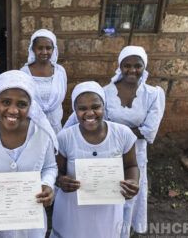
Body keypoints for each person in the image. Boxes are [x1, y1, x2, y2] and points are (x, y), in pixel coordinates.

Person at [0, 70, 58, 238]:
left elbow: (50, 167)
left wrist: (47, 184)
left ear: (30, 105)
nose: (13, 110)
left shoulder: (42, 133)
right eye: (6, 102)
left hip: (28, 223)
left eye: (22, 104)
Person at [51, 81, 140, 238]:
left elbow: (131, 165)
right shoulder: (65, 138)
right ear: (74, 110)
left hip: (108, 210)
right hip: (73, 211)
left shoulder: (123, 134)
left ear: (103, 106)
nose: (90, 113)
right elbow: (56, 172)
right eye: (82, 108)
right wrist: (61, 181)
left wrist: (133, 181)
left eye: (95, 107)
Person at [103, 46, 165, 237]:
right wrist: (126, 132)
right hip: (109, 152)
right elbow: (100, 123)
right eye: (126, 65)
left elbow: (149, 130)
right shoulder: (105, 92)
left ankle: (123, 232)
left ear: (144, 67)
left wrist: (115, 130)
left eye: (137, 66)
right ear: (119, 67)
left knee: (129, 192)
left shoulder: (153, 94)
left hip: (136, 155)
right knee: (108, 192)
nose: (132, 70)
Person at [20, 29, 67, 133]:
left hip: (55, 126)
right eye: (40, 48)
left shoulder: (60, 72)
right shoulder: (24, 73)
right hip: (32, 126)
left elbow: (62, 96)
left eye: (48, 48)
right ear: (33, 49)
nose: (44, 52)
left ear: (53, 49)